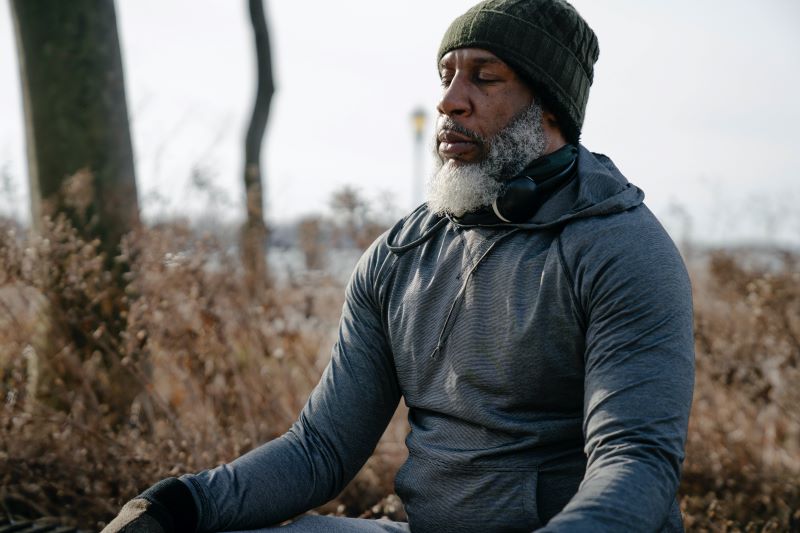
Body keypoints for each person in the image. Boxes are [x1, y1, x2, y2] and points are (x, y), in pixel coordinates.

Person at [104, 0, 694, 531]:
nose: (449, 100)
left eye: (484, 78)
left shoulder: (622, 251)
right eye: (447, 76)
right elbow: (319, 449)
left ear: (549, 110)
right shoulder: (398, 255)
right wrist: (178, 504)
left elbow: (635, 463)